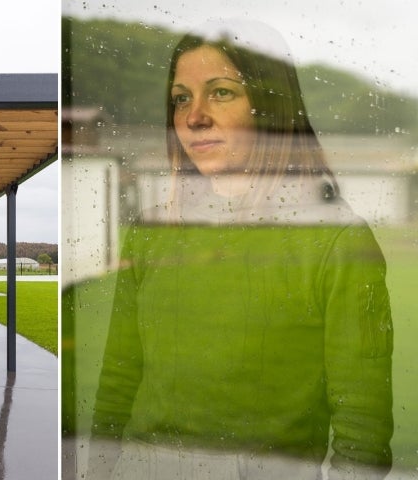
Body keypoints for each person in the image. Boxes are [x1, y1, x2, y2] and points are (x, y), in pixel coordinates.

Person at [89, 19, 393, 480]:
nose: (194, 117)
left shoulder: (337, 240)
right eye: (181, 99)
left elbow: (362, 433)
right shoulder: (151, 233)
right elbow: (117, 382)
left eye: (222, 92)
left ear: (270, 107)